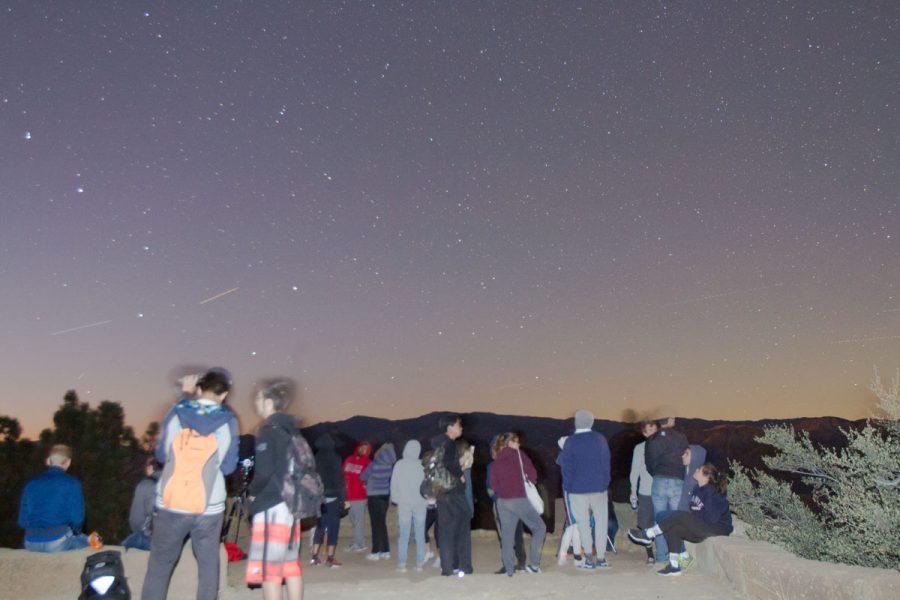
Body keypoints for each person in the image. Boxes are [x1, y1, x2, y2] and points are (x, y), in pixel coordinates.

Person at [142, 369, 239, 600]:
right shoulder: (228, 421)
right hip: (210, 505)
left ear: (198, 388)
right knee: (208, 568)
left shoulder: (177, 412)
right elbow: (228, 467)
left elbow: (162, 455)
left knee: (159, 566)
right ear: (224, 394)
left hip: (172, 502)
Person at [243, 378, 308, 600]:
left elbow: (263, 472)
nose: (256, 403)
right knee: (290, 566)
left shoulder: (268, 431)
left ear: (269, 402)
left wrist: (252, 493)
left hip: (272, 505)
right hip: (292, 505)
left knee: (270, 570)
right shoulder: (292, 430)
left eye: (259, 398)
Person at [628, 463, 733, 576]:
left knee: (680, 516)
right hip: (703, 527)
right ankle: (674, 566)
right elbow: (696, 512)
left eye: (700, 469)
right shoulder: (697, 489)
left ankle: (649, 534)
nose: (696, 470)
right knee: (675, 528)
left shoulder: (712, 492)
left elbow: (712, 518)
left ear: (706, 476)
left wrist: (692, 521)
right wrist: (692, 522)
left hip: (717, 528)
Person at [18, 444, 98, 552]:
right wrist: (75, 531)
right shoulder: (72, 483)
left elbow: (22, 521)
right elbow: (77, 519)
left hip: (30, 542)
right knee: (94, 545)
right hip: (57, 542)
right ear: (68, 462)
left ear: (48, 461)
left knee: (82, 538)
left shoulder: (31, 484)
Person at [558, 409, 611, 569]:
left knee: (583, 524)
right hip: (598, 488)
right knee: (601, 522)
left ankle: (588, 557)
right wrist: (605, 483)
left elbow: (565, 467)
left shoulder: (571, 442)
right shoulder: (600, 439)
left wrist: (568, 485)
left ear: (576, 422)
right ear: (591, 422)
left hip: (576, 489)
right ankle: (601, 558)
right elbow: (606, 463)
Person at [489, 432, 547, 576]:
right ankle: (534, 565)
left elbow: (493, 484)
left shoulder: (496, 460)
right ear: (509, 443)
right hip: (519, 498)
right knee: (540, 528)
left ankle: (509, 569)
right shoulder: (519, 455)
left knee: (507, 536)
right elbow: (532, 475)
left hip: (502, 502)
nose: (519, 445)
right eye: (516, 442)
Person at [644, 410, 689, 562]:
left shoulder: (652, 438)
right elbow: (685, 459)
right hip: (677, 480)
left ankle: (662, 557)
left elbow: (649, 463)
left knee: (659, 519)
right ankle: (677, 557)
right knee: (676, 519)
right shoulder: (681, 437)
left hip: (659, 481)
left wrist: (657, 473)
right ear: (669, 420)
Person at [431, 414, 473, 576]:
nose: (461, 428)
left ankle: (448, 567)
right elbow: (449, 463)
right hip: (453, 491)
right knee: (462, 526)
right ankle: (464, 566)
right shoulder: (448, 444)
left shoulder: (438, 444)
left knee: (447, 530)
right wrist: (460, 474)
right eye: (458, 425)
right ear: (449, 427)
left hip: (442, 491)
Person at [488, 433, 527, 573]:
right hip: (518, 501)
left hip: (502, 503)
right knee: (517, 533)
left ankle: (509, 564)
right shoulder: (517, 463)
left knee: (506, 535)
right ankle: (521, 561)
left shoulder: (493, 465)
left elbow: (491, 487)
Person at [390, 439, 428, 572]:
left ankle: (402, 564)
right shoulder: (422, 465)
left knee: (404, 534)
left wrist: (395, 498)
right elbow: (427, 484)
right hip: (420, 503)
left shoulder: (399, 464)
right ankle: (419, 563)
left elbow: (394, 484)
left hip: (404, 503)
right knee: (420, 534)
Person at [310, 433, 346, 568]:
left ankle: (314, 557)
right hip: (333, 497)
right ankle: (330, 558)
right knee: (333, 528)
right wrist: (342, 499)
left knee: (320, 527)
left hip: (319, 499)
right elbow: (339, 480)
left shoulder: (315, 458)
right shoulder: (335, 458)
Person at [628, 420, 658, 564]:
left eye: (655, 429)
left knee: (660, 522)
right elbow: (635, 471)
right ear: (644, 433)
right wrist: (633, 491)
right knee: (646, 524)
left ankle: (663, 555)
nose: (653, 432)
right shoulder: (640, 448)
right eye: (650, 430)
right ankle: (650, 555)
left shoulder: (663, 447)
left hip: (660, 491)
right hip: (645, 491)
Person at [360, 442, 396, 560]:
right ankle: (385, 551)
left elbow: (363, 477)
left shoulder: (373, 465)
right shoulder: (390, 466)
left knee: (375, 524)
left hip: (374, 496)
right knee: (382, 523)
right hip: (385, 496)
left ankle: (375, 551)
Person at [555, 435, 584, 567]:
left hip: (575, 493)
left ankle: (575, 556)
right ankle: (565, 555)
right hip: (571, 493)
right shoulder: (567, 458)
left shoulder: (567, 457)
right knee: (573, 525)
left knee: (575, 525)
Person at [123, 456, 160, 551]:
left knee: (124, 547)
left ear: (150, 467)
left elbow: (136, 521)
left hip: (154, 540)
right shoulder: (177, 483)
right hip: (177, 538)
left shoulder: (146, 485)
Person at [342, 441, 372, 552]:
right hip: (348, 497)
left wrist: (367, 486)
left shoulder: (368, 462)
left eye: (365, 449)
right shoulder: (349, 459)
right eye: (361, 447)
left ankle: (358, 544)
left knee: (359, 521)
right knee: (353, 521)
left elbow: (371, 478)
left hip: (360, 496)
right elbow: (343, 474)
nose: (362, 450)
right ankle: (357, 542)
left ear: (368, 451)